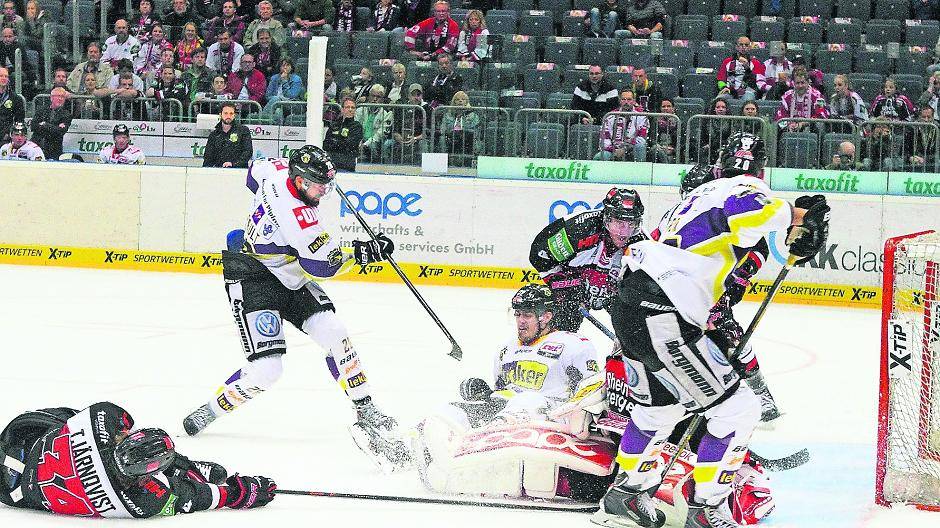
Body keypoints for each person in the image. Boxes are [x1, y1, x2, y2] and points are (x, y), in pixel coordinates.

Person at [595, 132, 829, 528]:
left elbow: (734, 237)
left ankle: (624, 496)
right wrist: (797, 215)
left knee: (659, 408)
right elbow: (743, 213)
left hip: (632, 303)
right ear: (762, 169)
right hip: (664, 312)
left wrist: (795, 237)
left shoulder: (696, 195)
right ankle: (707, 510)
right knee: (739, 409)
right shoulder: (751, 189)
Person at [181, 145, 410, 469]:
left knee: (335, 332)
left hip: (289, 274)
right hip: (253, 277)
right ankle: (211, 409)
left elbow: (252, 173)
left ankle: (365, 406)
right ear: (300, 182)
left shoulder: (275, 169)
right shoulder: (299, 219)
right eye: (320, 185)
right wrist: (367, 253)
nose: (325, 191)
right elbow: (324, 266)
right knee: (267, 369)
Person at [412, 284, 610, 500]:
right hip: (505, 410)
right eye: (517, 314)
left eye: (527, 315)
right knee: (447, 412)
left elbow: (590, 388)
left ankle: (483, 457)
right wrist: (482, 393)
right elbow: (501, 390)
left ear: (546, 316)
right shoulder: (506, 349)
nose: (520, 321)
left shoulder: (574, 345)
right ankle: (442, 464)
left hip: (548, 414)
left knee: (527, 399)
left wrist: (582, 413)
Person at [0, 402, 275, 517]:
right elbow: (191, 497)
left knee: (67, 416)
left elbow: (119, 424)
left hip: (16, 454)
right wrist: (237, 494)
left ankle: (183, 466)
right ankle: (185, 467)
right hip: (14, 491)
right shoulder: (147, 501)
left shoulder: (103, 416)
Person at [529, 187, 647, 333]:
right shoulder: (579, 229)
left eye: (631, 224)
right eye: (619, 223)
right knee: (563, 331)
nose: (624, 232)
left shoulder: (640, 243)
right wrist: (565, 286)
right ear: (607, 219)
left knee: (636, 330)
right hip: (575, 283)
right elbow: (539, 254)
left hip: (612, 287)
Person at [596, 90, 649, 162]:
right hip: (613, 150)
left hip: (632, 149)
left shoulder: (641, 116)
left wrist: (625, 149)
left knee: (640, 146)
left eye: (629, 99)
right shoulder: (610, 116)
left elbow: (642, 138)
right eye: (623, 99)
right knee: (599, 156)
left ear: (634, 101)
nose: (626, 102)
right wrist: (615, 150)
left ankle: (640, 172)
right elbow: (604, 139)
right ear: (620, 101)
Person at [202, 102, 252, 167]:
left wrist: (234, 164)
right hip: (218, 172)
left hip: (239, 171)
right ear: (220, 115)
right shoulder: (214, 135)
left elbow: (248, 152)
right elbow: (208, 157)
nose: (228, 116)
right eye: (225, 113)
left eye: (231, 113)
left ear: (234, 115)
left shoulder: (243, 131)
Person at [717, 36, 766, 101]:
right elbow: (720, 80)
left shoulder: (756, 63)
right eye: (741, 44)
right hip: (730, 91)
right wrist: (724, 87)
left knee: (748, 99)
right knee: (719, 100)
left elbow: (758, 83)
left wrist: (748, 69)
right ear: (736, 47)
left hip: (748, 91)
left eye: (746, 45)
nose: (743, 47)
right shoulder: (727, 61)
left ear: (749, 47)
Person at [30, 87, 71, 160]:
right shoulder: (41, 110)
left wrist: (45, 124)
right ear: (51, 98)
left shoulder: (66, 115)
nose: (60, 99)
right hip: (36, 146)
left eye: (63, 97)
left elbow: (60, 132)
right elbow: (33, 126)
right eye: (58, 96)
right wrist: (54, 127)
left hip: (53, 149)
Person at [323, 96, 363, 170]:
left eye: (353, 107)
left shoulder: (357, 126)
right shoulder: (334, 124)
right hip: (332, 163)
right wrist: (340, 142)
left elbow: (351, 145)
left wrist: (335, 142)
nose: (350, 110)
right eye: (347, 107)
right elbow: (326, 144)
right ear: (342, 109)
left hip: (347, 163)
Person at [356, 84, 393, 162]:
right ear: (369, 97)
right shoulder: (360, 110)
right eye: (373, 96)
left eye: (378, 97)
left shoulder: (387, 114)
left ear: (382, 99)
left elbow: (380, 135)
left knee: (372, 146)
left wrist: (366, 144)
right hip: (360, 140)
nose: (375, 99)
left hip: (376, 143)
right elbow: (356, 128)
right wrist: (359, 142)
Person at [264, 57, 304, 123]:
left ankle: (262, 120)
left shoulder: (297, 79)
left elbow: (291, 96)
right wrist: (278, 99)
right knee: (278, 112)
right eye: (283, 65)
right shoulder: (274, 78)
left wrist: (284, 81)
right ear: (279, 67)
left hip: (292, 105)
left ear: (291, 67)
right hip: (277, 104)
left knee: (276, 99)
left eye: (287, 65)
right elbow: (268, 96)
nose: (285, 67)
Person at [907, 105, 938, 171]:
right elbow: (904, 149)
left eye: (929, 117)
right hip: (914, 162)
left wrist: (926, 159)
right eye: (924, 117)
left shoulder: (938, 129)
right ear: (919, 117)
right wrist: (910, 157)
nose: (926, 120)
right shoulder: (912, 129)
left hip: (934, 163)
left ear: (933, 117)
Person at [649, 97, 679, 163]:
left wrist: (673, 150)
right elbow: (652, 139)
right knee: (656, 149)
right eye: (663, 106)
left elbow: (682, 142)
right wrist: (662, 148)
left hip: (672, 150)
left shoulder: (679, 122)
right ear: (660, 108)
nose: (666, 108)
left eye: (668, 106)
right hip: (658, 148)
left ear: (673, 108)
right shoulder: (655, 121)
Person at [0, 66, 25, 142]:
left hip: (6, 137)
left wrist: (8, 134)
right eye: (1, 76)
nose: (4, 78)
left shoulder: (16, 99)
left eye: (6, 76)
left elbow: (19, 120)